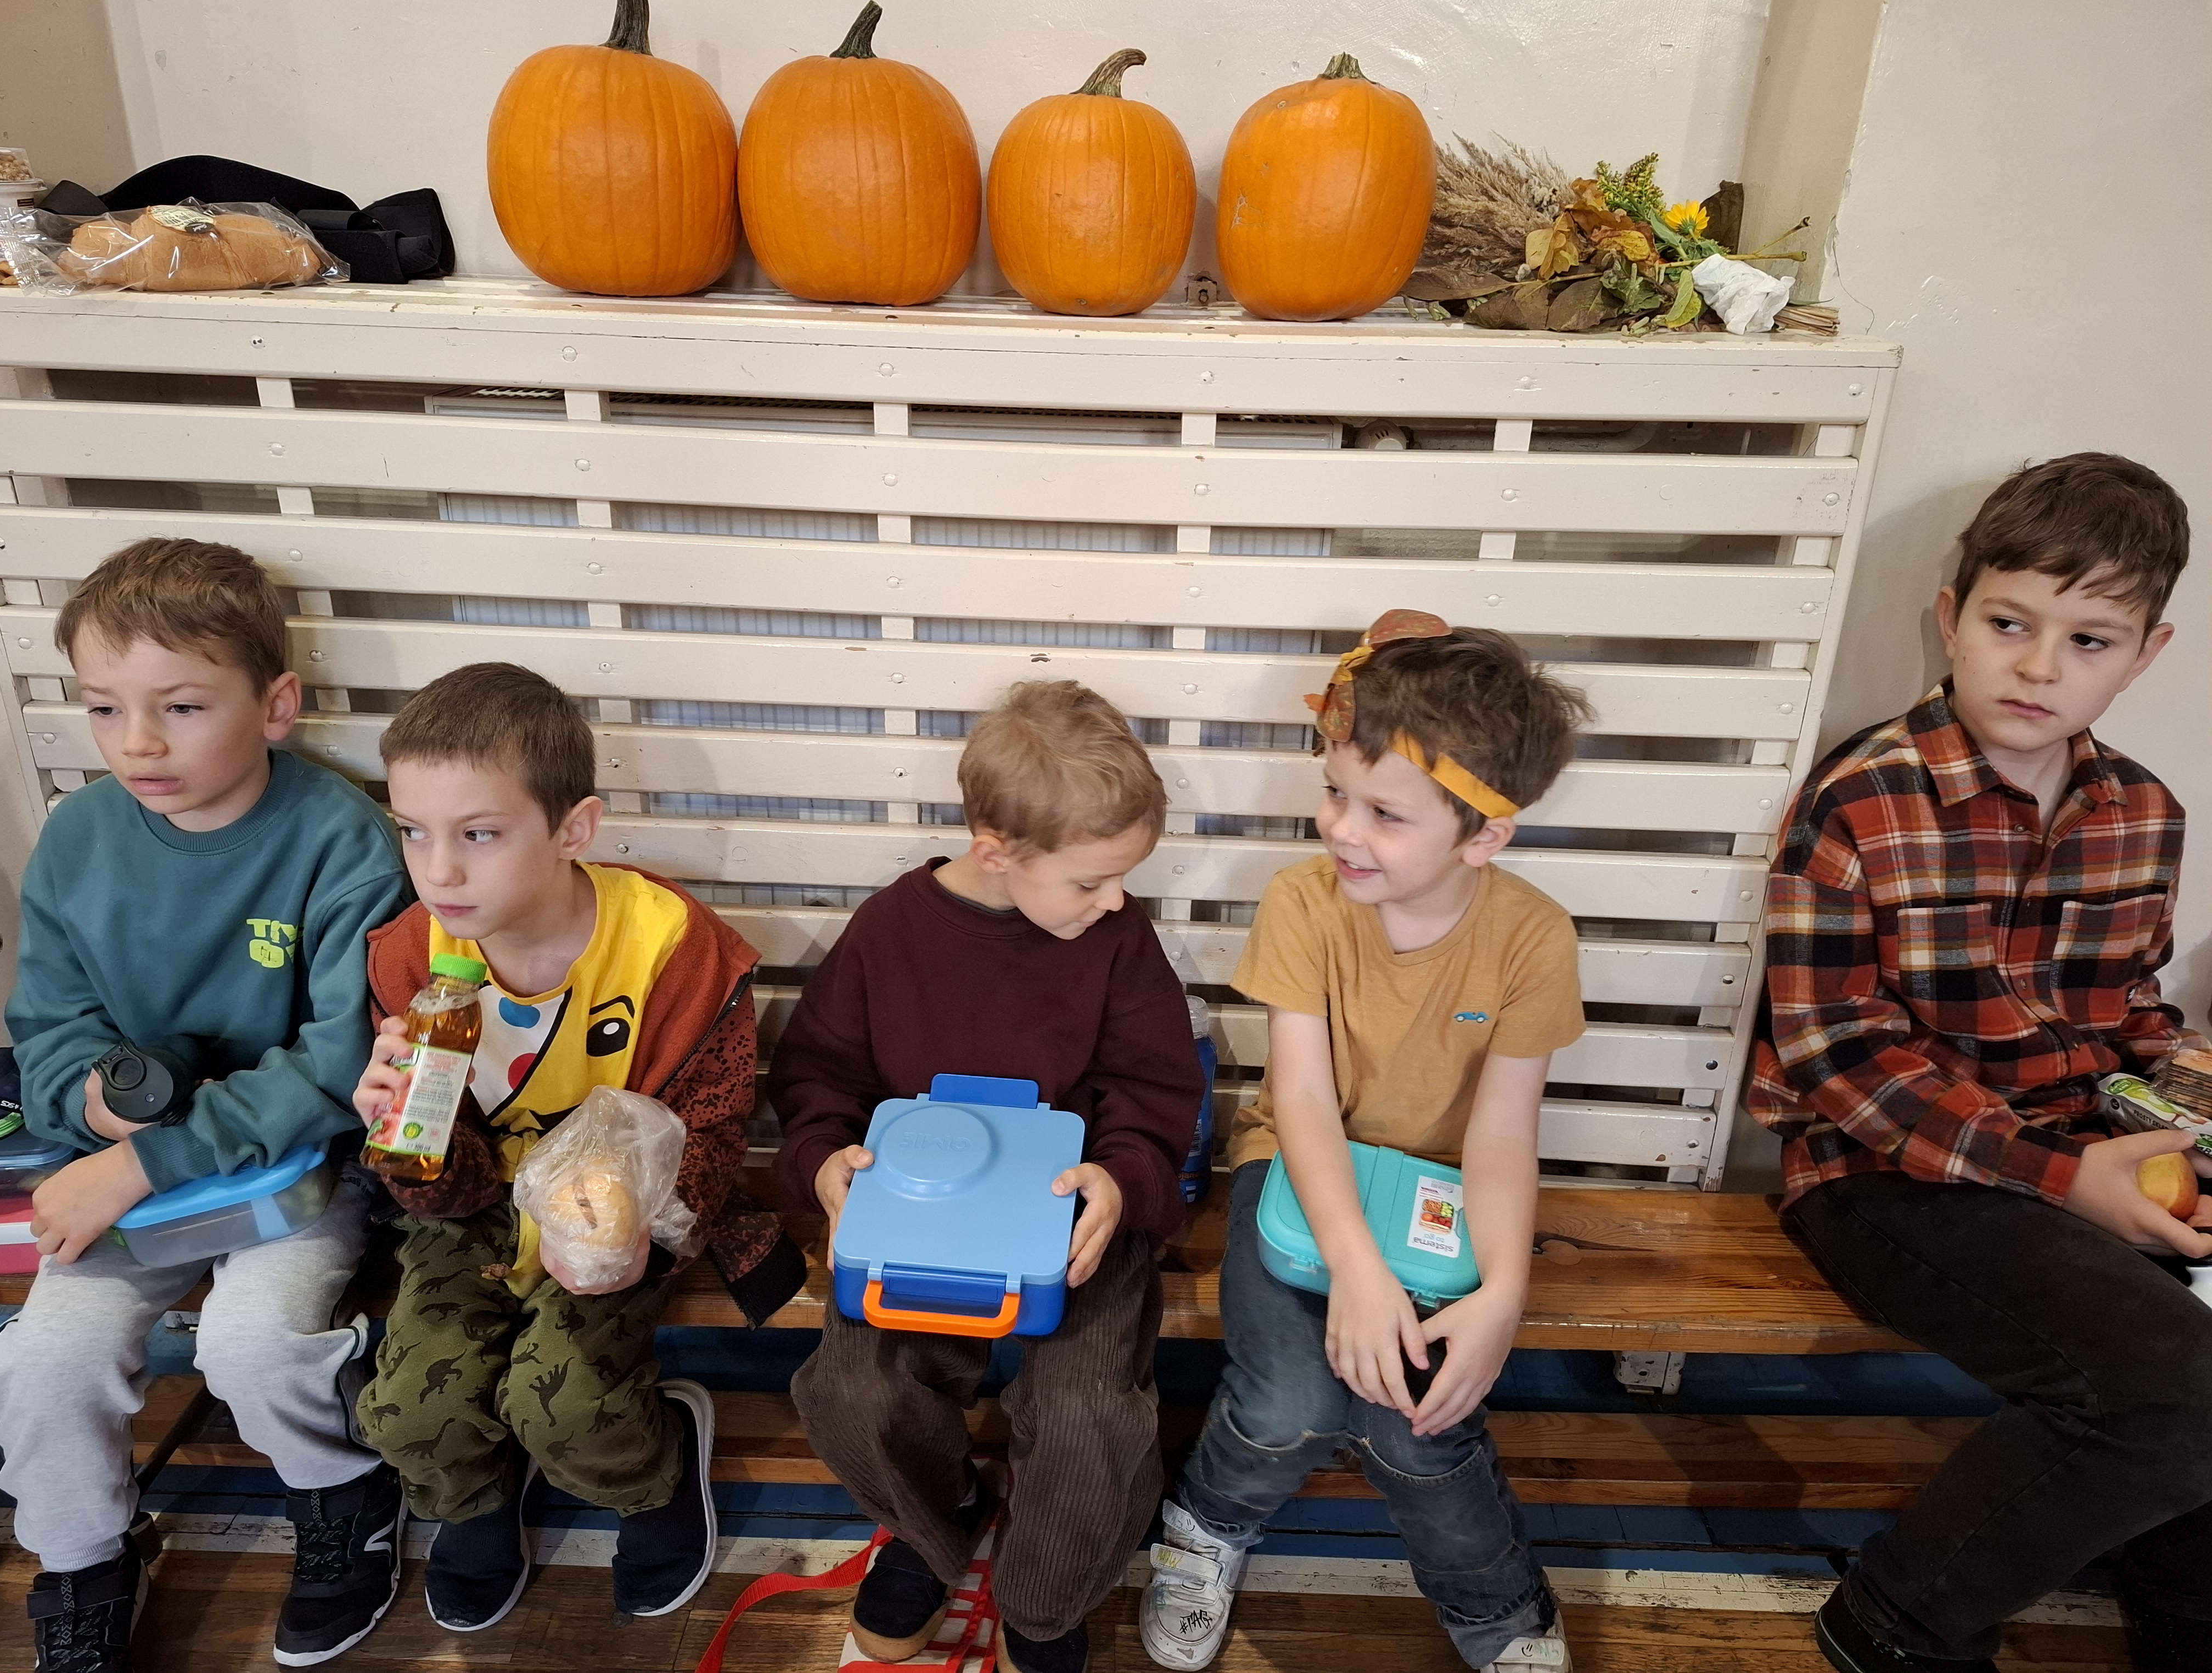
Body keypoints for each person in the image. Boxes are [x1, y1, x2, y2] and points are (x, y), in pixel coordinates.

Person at [1746, 453, 2210, 1673]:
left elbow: (2130, 1015)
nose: (2041, 667)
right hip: (1884, 1178)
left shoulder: (2144, 815)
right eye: (2011, 624)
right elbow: (1838, 1056)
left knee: (2191, 1385)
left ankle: (2187, 1607)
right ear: (1952, 619)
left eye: (2089, 640)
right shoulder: (1864, 800)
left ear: (2145, 655)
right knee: (2177, 1388)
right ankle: (1897, 1618)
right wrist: (2067, 1181)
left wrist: (2185, 1109)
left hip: (2083, 1156)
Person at [1138, 613, 1589, 1673]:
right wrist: (1355, 1267)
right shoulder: (1304, 903)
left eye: (1385, 813)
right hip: (1297, 1179)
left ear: (1484, 837)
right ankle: (1203, 1527)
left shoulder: (1534, 937)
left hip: (1439, 1200)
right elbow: (1300, 1100)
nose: (1343, 830)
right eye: (1336, 792)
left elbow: (1503, 1133)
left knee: (1418, 1424)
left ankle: (1500, 1615)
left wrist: (1503, 1297)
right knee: (1289, 1403)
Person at [0, 537, 412, 1671]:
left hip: (299, 1172)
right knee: (42, 1361)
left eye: (179, 707)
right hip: (124, 1176)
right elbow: (48, 1026)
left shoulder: (341, 841)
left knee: (253, 1341)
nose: (138, 742)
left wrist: (145, 1159)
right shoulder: (79, 838)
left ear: (275, 705)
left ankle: (344, 1496)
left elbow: (340, 1065)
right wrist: (93, 1104)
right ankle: (84, 1564)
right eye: (104, 708)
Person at [349, 662, 803, 1630]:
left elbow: (711, 1127)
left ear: (574, 828)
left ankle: (655, 1475)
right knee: (409, 1411)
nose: (439, 871)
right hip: (476, 1212)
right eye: (413, 832)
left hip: (619, 1211)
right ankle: (475, 1502)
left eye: (478, 834)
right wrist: (406, 1137)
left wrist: (645, 1227)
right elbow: (437, 1195)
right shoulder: (410, 957)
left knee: (565, 1406)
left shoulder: (671, 949)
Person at [770, 679, 1202, 1673]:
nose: (1116, 900)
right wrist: (825, 1161)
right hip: (919, 1218)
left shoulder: (1117, 940)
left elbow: (1155, 1089)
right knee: (853, 1390)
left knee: (1091, 1414)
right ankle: (939, 1523)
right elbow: (818, 1077)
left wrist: (1122, 1181)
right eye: (1091, 881)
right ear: (997, 849)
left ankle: (1045, 1601)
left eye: (1123, 878)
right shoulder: (892, 930)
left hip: (1071, 1219)